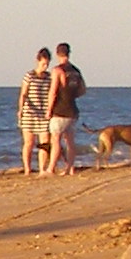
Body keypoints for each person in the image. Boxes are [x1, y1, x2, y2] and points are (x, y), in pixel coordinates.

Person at [48, 43, 86, 175]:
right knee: (70, 141)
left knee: (56, 140)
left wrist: (49, 110)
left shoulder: (58, 70)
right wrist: (72, 94)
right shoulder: (76, 71)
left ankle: (51, 168)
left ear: (58, 54)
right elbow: (82, 90)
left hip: (60, 110)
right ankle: (69, 168)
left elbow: (53, 92)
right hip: (73, 110)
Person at [17, 49, 55, 174]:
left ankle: (42, 169)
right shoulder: (29, 76)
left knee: (44, 143)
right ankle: (27, 168)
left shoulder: (49, 77)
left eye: (47, 64)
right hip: (30, 113)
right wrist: (21, 109)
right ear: (38, 61)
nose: (45, 67)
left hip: (44, 113)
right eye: (43, 64)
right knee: (29, 143)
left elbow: (52, 93)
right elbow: (23, 94)